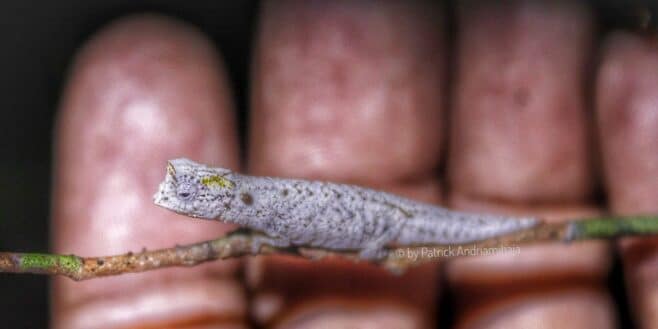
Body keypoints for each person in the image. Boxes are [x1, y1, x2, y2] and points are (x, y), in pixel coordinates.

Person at [51, 1, 658, 328]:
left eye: (187, 194)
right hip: (367, 221)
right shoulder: (244, 204)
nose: (178, 201)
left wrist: (346, 249)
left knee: (469, 233)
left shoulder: (242, 204)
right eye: (185, 194)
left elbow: (282, 223)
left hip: (384, 223)